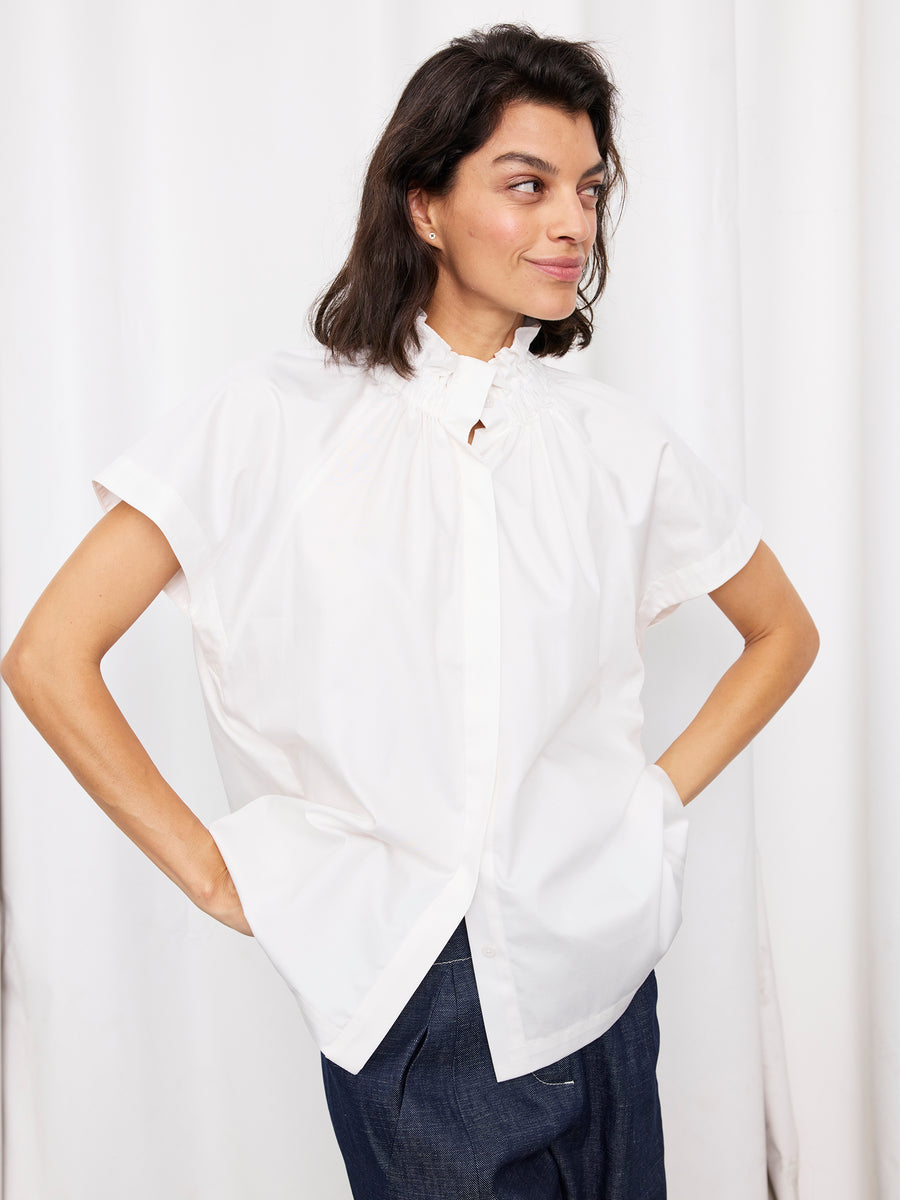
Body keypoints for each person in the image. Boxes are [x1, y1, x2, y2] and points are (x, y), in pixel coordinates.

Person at [1, 23, 818, 1200]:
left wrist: (649, 801)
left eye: (588, 190)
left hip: (602, 967)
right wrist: (213, 872)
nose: (572, 224)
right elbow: (48, 656)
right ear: (424, 204)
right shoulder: (269, 422)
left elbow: (783, 630)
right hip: (416, 996)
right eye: (526, 185)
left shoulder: (616, 444)